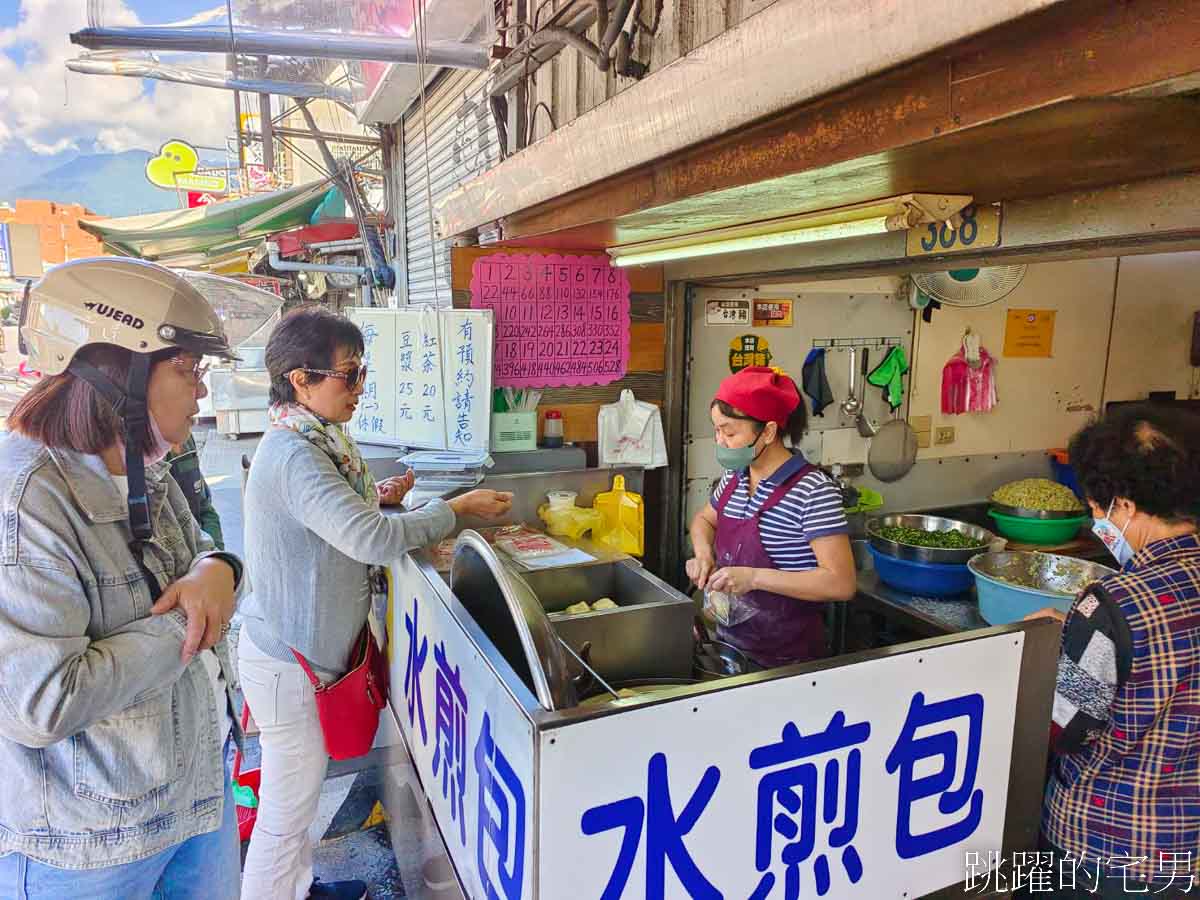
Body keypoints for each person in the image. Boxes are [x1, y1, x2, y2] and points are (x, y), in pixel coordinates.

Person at [238, 306, 512, 900]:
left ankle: (301, 887)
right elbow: (368, 537)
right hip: (291, 661)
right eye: (349, 374)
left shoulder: (319, 440)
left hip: (302, 653)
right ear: (300, 380)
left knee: (298, 800)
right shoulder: (294, 453)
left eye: (362, 373)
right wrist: (456, 510)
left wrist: (380, 495)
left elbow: (341, 518)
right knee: (286, 812)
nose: (359, 388)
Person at [0, 258, 245, 899]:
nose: (201, 394)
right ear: (117, 374)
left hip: (192, 797)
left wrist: (220, 568)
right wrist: (188, 619)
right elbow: (41, 702)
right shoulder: (25, 502)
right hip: (90, 848)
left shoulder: (144, 472)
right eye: (188, 370)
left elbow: (203, 554)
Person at [1025, 404, 1200, 898]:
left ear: (1124, 507)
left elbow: (1064, 727)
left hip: (1104, 847)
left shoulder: (1113, 603)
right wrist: (1079, 635)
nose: (1097, 519)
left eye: (1097, 507)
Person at [685, 366, 856, 668]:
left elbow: (840, 583)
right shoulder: (734, 477)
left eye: (729, 432)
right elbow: (704, 520)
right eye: (716, 430)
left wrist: (753, 578)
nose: (720, 441)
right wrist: (702, 554)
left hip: (787, 661)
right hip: (729, 647)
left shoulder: (813, 491)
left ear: (768, 431)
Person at [166, 433, 224, 549]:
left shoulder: (186, 438)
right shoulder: (138, 460)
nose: (195, 415)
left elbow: (205, 508)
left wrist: (217, 553)